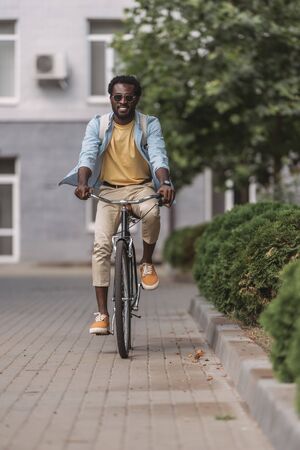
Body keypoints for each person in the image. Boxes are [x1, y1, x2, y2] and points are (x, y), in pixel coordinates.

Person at [60, 75, 175, 335]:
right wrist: (82, 182)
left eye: (129, 97)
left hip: (141, 188)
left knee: (153, 213)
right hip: (109, 192)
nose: (123, 102)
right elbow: (87, 154)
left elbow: (158, 155)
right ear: (110, 98)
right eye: (118, 97)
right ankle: (102, 315)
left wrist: (165, 182)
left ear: (137, 98)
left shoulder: (149, 124)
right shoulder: (98, 125)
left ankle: (146, 262)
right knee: (101, 246)